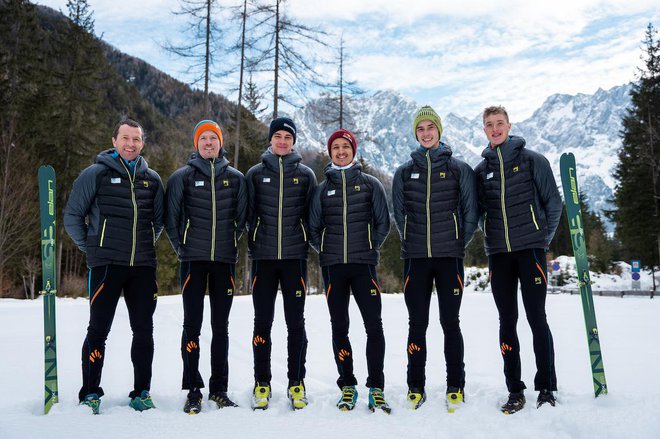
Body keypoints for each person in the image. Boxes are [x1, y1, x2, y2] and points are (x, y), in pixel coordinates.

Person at [64, 118, 164, 414]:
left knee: (144, 331)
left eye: (136, 139)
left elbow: (157, 222)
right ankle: (90, 393)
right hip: (106, 265)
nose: (131, 144)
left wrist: (143, 244)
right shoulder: (95, 174)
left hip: (143, 267)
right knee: (98, 330)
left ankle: (142, 392)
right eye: (125, 138)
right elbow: (73, 217)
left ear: (142, 143)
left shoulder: (153, 179)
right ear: (114, 140)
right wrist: (93, 247)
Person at [474, 105, 562, 414]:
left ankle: (547, 387)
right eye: (489, 124)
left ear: (509, 126)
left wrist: (542, 239)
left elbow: (553, 203)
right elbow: (478, 214)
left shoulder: (532, 160)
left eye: (499, 123)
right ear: (484, 130)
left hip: (531, 252)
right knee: (506, 322)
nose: (495, 128)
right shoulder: (481, 170)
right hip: (499, 256)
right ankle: (515, 389)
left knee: (537, 318)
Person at [392, 106, 478, 411]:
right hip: (416, 259)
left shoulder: (459, 169)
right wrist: (411, 239)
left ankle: (456, 385)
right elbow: (398, 213)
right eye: (420, 129)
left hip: (448, 259)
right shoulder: (404, 172)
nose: (426, 133)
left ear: (439, 131)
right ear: (416, 134)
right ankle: (415, 386)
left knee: (450, 323)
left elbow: (471, 213)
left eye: (431, 127)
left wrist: (457, 242)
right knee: (417, 323)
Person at [164, 120, 247, 414]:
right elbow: (170, 221)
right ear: (196, 144)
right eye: (203, 139)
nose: (209, 143)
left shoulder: (236, 178)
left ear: (220, 143)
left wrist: (228, 243)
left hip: (224, 263)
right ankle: (194, 389)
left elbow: (242, 219)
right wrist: (182, 248)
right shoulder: (181, 178)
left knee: (220, 327)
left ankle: (219, 389)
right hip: (192, 263)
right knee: (192, 326)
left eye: (213, 138)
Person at [309, 129, 392, 413]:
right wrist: (326, 250)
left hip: (363, 267)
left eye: (346, 146)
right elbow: (313, 228)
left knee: (374, 326)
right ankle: (347, 385)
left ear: (353, 151)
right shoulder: (322, 189)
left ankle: (376, 388)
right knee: (339, 327)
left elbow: (384, 223)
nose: (341, 151)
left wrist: (369, 247)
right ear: (330, 152)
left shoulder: (370, 185)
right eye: (336, 147)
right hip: (333, 269)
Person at [245, 117, 317, 410]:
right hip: (262, 260)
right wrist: (255, 240)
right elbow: (247, 214)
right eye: (278, 136)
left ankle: (296, 383)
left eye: (288, 136)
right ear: (270, 140)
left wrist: (304, 243)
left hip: (294, 260)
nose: (283, 141)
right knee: (262, 322)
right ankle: (262, 382)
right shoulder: (254, 174)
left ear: (293, 141)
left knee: (295, 324)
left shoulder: (306, 175)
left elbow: (312, 218)